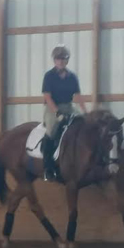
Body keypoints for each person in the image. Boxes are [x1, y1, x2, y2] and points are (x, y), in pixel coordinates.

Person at [41, 45, 87, 181]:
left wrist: (85, 112)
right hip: (52, 107)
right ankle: (48, 168)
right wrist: (57, 113)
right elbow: (47, 97)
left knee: (82, 125)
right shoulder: (49, 76)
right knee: (51, 131)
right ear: (54, 61)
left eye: (63, 59)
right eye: (58, 59)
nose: (60, 61)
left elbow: (78, 96)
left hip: (68, 106)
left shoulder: (72, 76)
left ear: (67, 60)